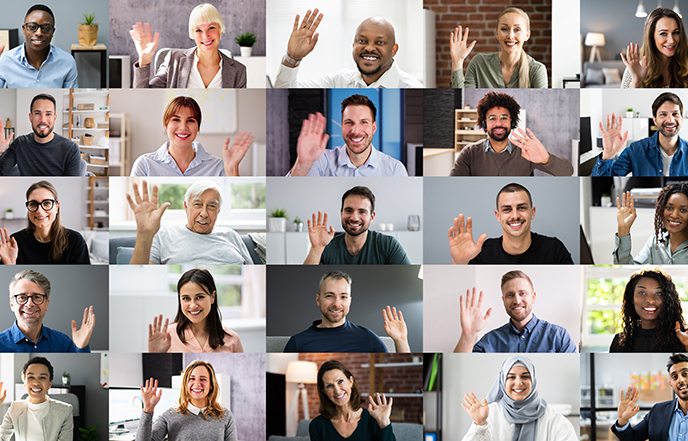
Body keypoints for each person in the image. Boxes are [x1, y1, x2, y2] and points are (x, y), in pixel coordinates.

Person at [275, 9, 421, 88]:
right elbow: (285, 91)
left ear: (394, 50)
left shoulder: (412, 88)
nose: (369, 48)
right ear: (353, 45)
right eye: (362, 41)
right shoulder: (339, 80)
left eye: (379, 43)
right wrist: (292, 58)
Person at [125, 179, 253, 265]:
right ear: (186, 207)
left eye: (211, 206)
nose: (204, 213)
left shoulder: (231, 235)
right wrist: (144, 234)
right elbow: (141, 276)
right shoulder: (163, 235)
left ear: (218, 211)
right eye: (197, 204)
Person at [284, 270, 411, 353]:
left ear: (349, 301)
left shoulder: (367, 338)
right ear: (318, 299)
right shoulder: (297, 342)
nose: (336, 304)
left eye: (343, 297)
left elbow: (405, 371)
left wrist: (401, 341)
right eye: (329, 296)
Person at [450, 92, 573, 176]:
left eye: (504, 118)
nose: (499, 123)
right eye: (492, 118)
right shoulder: (469, 153)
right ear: (484, 123)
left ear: (512, 122)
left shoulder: (525, 152)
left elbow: (568, 172)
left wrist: (546, 159)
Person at [448, 183, 573, 264]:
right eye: (507, 209)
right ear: (498, 216)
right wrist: (459, 263)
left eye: (521, 208)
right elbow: (455, 287)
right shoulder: (482, 252)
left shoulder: (554, 249)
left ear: (532, 212)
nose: (515, 216)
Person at [454, 270, 576, 353]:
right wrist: (468, 334)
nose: (517, 300)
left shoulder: (558, 336)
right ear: (503, 300)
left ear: (533, 297)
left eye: (522, 293)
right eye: (510, 295)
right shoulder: (490, 341)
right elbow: (460, 368)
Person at [130, 96, 254, 176]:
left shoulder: (218, 166)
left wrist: (232, 169)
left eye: (190, 120)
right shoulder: (145, 165)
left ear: (198, 127)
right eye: (176, 120)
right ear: (165, 125)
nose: (183, 127)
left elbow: (231, 201)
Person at [130, 3, 246, 88]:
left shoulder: (239, 71)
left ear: (220, 29)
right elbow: (145, 95)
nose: (205, 36)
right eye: (198, 30)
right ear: (192, 34)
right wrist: (144, 61)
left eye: (211, 28)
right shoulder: (173, 60)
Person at [461, 355, 577, 440]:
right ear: (502, 382)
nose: (518, 383)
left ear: (533, 381)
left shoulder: (553, 420)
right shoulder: (490, 414)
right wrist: (480, 424)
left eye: (525, 377)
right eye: (511, 377)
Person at [288, 95, 407, 177]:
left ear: (374, 127)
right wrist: (302, 164)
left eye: (364, 122)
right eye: (349, 123)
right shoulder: (321, 161)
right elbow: (290, 197)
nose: (355, 131)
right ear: (342, 126)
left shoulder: (395, 170)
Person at [304, 186, 410, 264]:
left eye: (362, 212)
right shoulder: (326, 246)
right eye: (348, 210)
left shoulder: (388, 245)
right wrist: (316, 248)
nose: (354, 218)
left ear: (372, 217)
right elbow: (306, 279)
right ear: (341, 213)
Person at [137, 360, 237, 441]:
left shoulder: (225, 416)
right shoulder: (169, 416)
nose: (197, 384)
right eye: (191, 379)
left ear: (211, 385)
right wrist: (148, 410)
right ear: (185, 384)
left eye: (203, 379)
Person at [592, 92, 688, 176]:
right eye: (663, 114)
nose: (670, 120)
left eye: (675, 114)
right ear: (655, 120)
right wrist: (608, 155)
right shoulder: (635, 150)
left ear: (682, 118)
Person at [148, 268, 243, 353]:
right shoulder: (167, 336)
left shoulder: (233, 339)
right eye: (186, 298)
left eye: (200, 297)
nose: (193, 305)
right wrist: (154, 354)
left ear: (212, 297)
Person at [0, 270, 95, 352]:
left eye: (37, 297)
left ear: (47, 304)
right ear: (12, 304)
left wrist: (81, 347)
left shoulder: (63, 343)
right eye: (22, 297)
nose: (29, 304)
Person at [449, 8, 547, 88]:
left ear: (527, 35)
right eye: (504, 29)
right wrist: (457, 62)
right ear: (497, 33)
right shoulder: (479, 63)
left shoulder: (537, 70)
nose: (510, 36)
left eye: (517, 29)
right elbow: (462, 101)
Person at [0, 181, 89, 264]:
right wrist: (9, 265)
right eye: (33, 204)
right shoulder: (14, 242)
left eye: (46, 203)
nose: (39, 211)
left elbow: (84, 279)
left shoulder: (75, 241)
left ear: (56, 207)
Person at [309, 360, 396, 441]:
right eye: (329, 386)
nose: (337, 390)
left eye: (340, 381)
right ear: (324, 391)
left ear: (350, 381)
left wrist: (384, 423)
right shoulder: (317, 425)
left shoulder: (373, 420)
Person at [0, 93, 81, 176]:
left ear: (54, 118)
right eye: (38, 113)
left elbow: (72, 186)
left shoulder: (71, 149)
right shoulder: (20, 143)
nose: (43, 120)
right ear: (30, 117)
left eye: (48, 114)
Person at [610, 267, 688, 352]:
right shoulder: (619, 342)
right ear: (632, 298)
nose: (650, 300)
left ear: (667, 299)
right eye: (642, 293)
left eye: (658, 293)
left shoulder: (683, 338)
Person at [611, 354, 688, 440]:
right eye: (674, 377)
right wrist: (623, 420)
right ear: (671, 384)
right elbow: (632, 438)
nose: (680, 380)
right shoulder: (658, 411)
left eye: (685, 373)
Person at [0, 5, 78, 88]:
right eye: (32, 27)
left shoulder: (67, 62)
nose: (39, 33)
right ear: (24, 29)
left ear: (52, 32)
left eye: (46, 28)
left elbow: (71, 100)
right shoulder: (5, 60)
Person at [0, 357, 73, 441]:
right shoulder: (14, 408)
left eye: (42, 377)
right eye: (31, 377)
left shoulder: (65, 411)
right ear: (24, 381)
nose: (36, 383)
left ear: (49, 383)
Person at [614, 184, 688, 264]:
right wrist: (623, 230)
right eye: (669, 208)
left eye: (683, 210)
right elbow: (630, 272)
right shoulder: (654, 243)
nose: (674, 215)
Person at [620, 8, 688, 88]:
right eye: (663, 33)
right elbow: (625, 100)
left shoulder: (686, 67)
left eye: (675, 32)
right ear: (651, 36)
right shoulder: (634, 70)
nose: (671, 41)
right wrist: (636, 81)